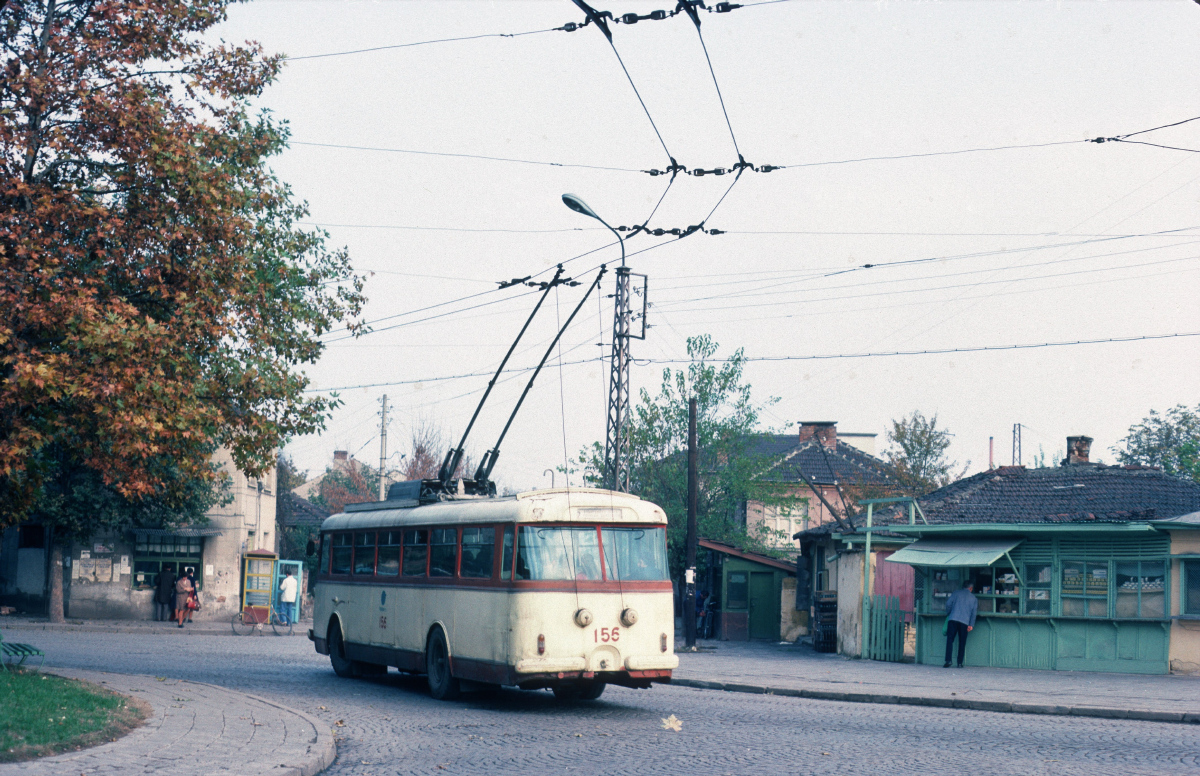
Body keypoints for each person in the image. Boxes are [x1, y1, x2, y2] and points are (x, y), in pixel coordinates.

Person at [944, 579, 978, 668]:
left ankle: (948, 660)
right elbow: (973, 613)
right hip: (965, 622)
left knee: (950, 640)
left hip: (953, 619)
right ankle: (959, 663)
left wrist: (949, 613)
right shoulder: (974, 598)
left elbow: (948, 604)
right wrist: (971, 624)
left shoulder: (956, 593)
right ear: (971, 588)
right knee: (962, 642)